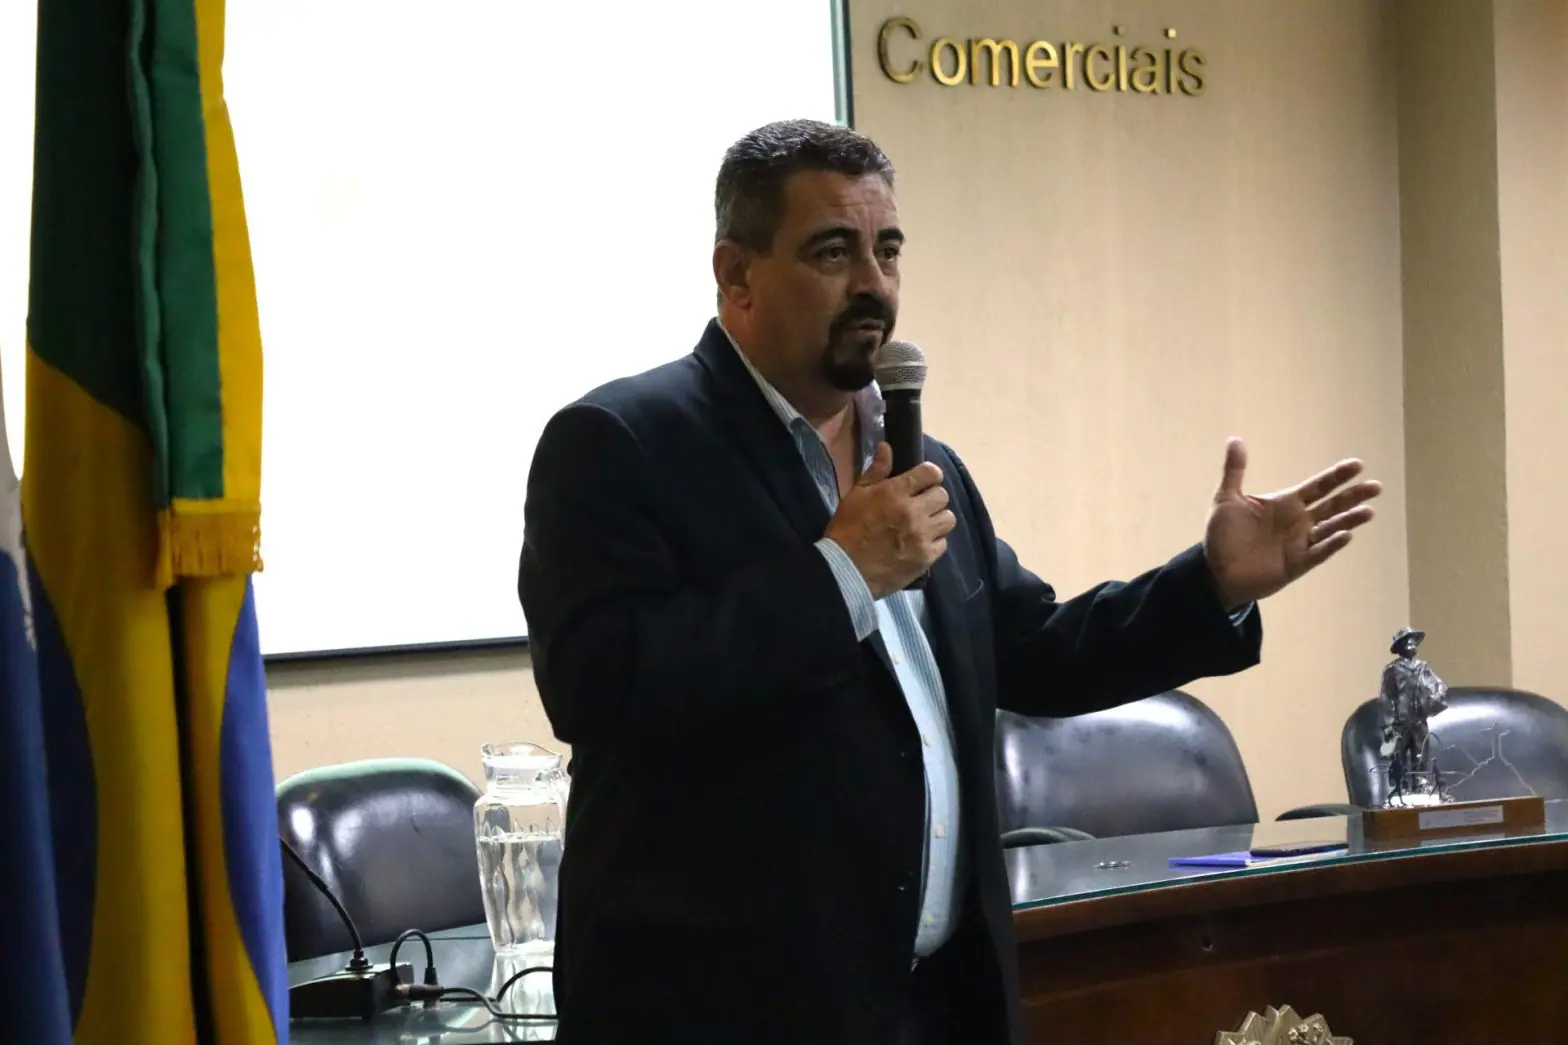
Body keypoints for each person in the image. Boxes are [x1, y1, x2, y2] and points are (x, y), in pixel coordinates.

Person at [518, 119, 1381, 1045]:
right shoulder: (623, 444)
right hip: (727, 1012)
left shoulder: (925, 462)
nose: (874, 284)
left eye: (888, 250)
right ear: (737, 275)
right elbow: (598, 684)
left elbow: (1035, 651)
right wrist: (840, 574)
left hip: (935, 1005)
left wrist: (1211, 585)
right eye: (833, 252)